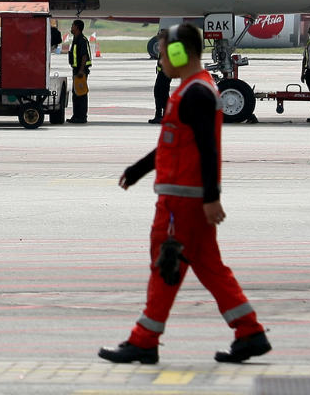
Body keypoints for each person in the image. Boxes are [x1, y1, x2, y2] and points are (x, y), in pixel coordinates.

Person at [99, 23, 270, 365]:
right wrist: (138, 170)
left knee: (167, 266)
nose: (160, 58)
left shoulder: (197, 93)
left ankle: (144, 340)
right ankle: (250, 333)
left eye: (163, 52)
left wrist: (212, 197)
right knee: (210, 267)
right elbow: (172, 144)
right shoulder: (191, 89)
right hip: (186, 199)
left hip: (183, 203)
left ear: (180, 52)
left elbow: (210, 149)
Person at [68, 19, 91, 123]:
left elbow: (84, 55)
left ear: (76, 27)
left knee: (81, 94)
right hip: (76, 70)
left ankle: (82, 116)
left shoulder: (81, 40)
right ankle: (76, 115)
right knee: (76, 93)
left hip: (81, 71)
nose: (71, 28)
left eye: (72, 26)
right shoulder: (76, 39)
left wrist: (81, 70)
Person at [150, 28, 172, 124]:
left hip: (165, 74)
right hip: (163, 73)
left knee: (160, 93)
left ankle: (160, 115)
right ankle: (164, 115)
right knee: (162, 93)